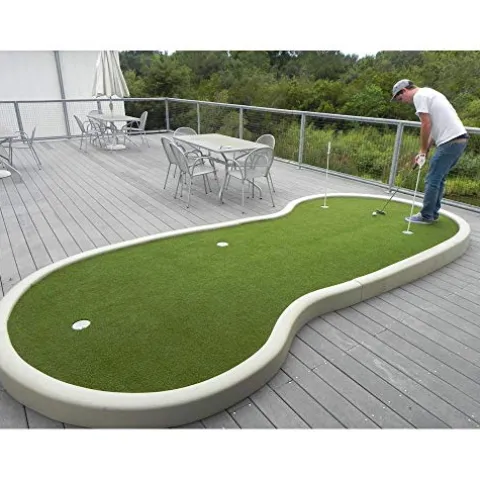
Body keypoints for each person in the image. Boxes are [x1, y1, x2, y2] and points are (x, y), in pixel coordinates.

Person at [391, 79, 468, 224]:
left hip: (450, 141)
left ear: (405, 91)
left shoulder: (419, 96)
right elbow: (433, 127)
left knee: (432, 179)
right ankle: (432, 213)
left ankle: (426, 215)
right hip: (459, 140)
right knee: (438, 178)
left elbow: (425, 124)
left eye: (400, 98)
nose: (403, 102)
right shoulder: (429, 93)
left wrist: (421, 149)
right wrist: (425, 151)